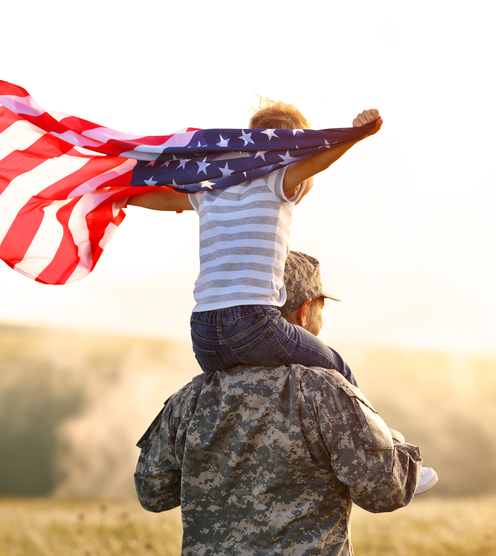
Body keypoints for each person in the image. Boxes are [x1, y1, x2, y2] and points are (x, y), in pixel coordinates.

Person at [134, 251, 437, 556]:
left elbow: (152, 491)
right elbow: (385, 490)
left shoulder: (191, 399)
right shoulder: (322, 389)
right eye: (321, 308)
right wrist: (398, 448)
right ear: (303, 310)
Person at [127, 101, 381, 386]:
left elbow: (162, 198)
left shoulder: (213, 187)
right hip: (253, 325)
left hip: (203, 336)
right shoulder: (276, 180)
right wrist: (356, 135)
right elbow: (314, 164)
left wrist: (115, 194)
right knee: (339, 371)